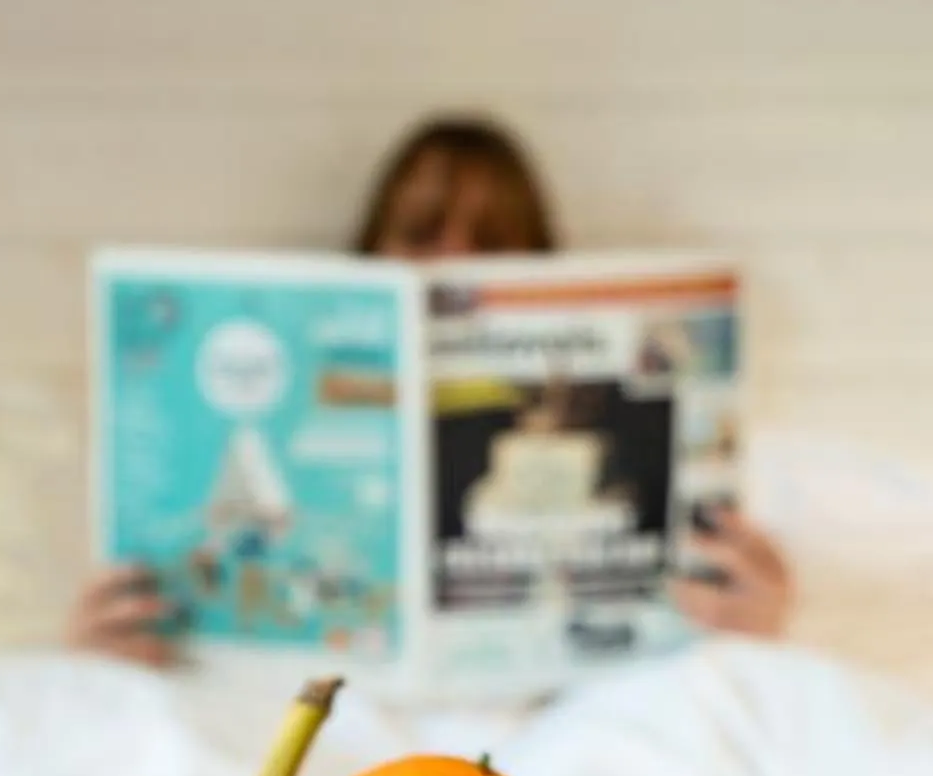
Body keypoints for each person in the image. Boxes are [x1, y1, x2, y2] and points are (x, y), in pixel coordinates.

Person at [65, 116, 794, 665]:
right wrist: (96, 658)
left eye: (492, 240)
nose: (455, 261)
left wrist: (759, 627)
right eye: (421, 234)